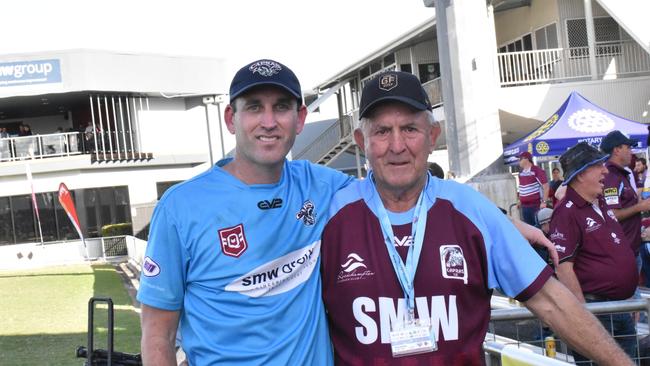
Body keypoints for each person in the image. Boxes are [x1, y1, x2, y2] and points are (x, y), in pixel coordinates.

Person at [320, 71, 633, 365]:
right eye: (382, 131)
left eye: (410, 129)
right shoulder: (329, 216)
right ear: (363, 142)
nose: (397, 145)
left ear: (432, 136)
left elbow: (552, 302)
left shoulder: (471, 209)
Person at [137, 59, 354, 365]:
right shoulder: (181, 207)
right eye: (254, 107)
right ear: (231, 118)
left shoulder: (322, 186)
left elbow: (392, 190)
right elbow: (157, 332)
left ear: (300, 117)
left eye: (280, 107)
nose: (268, 121)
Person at [550, 142, 639, 363]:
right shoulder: (566, 212)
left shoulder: (599, 202)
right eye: (598, 166)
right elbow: (563, 267)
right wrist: (584, 317)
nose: (605, 170)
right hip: (596, 311)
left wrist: (629, 299)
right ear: (580, 175)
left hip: (618, 308)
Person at [601, 130, 650, 272]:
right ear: (616, 150)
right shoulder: (611, 176)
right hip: (623, 251)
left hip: (631, 249)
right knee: (629, 294)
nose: (631, 151)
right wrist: (640, 207)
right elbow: (611, 214)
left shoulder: (620, 174)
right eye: (628, 147)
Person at [517, 151, 549, 225]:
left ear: (526, 159)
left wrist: (544, 202)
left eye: (520, 159)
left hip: (535, 206)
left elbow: (546, 187)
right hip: (524, 207)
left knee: (538, 227)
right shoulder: (521, 173)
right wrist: (519, 200)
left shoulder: (537, 171)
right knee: (529, 228)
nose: (518, 161)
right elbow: (522, 188)